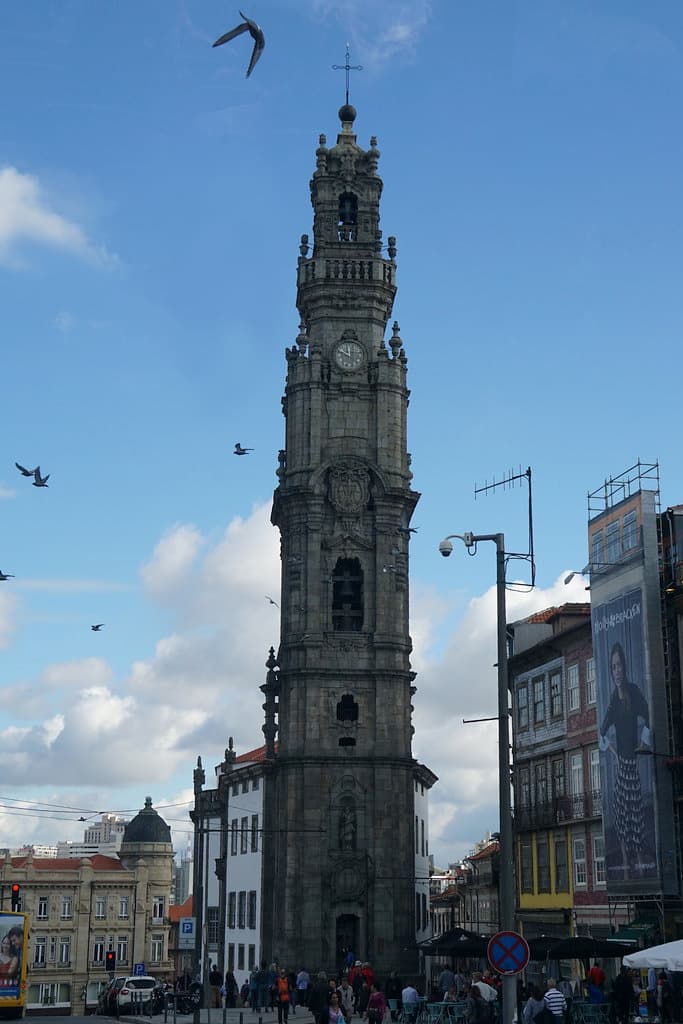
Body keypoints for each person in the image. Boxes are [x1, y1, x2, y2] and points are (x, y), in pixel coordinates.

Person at [599, 641, 651, 873]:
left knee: (636, 817)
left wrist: (643, 744)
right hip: (622, 769)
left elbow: (649, 717)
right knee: (621, 817)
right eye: (613, 667)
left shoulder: (634, 692)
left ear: (625, 667)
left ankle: (639, 863)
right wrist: (613, 752)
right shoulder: (613, 699)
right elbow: (602, 733)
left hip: (633, 766)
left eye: (619, 666)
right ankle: (626, 865)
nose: (617, 671)